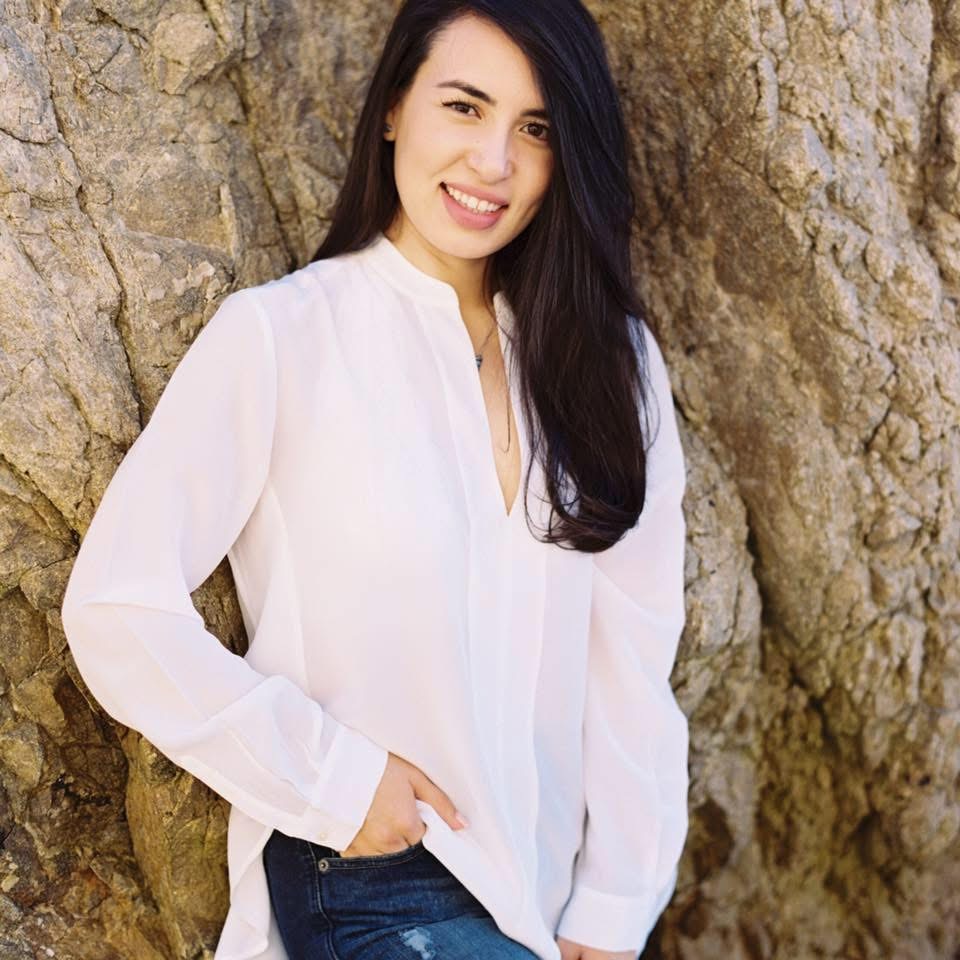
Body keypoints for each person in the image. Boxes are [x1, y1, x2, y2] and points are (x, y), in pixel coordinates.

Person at [60, 1, 690, 959]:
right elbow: (115, 605)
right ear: (395, 107)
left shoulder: (611, 366)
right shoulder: (281, 338)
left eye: (535, 129)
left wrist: (613, 914)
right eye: (465, 107)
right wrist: (333, 782)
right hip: (371, 876)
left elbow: (634, 669)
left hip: (541, 899)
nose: (494, 164)